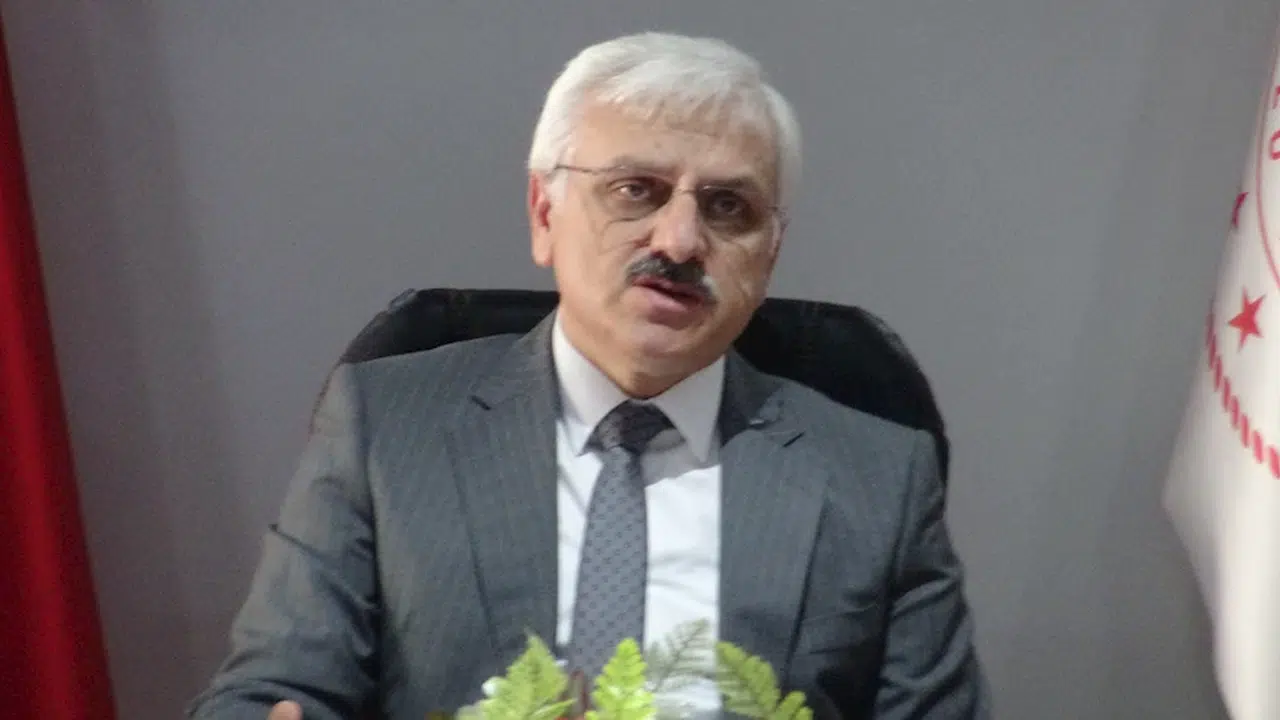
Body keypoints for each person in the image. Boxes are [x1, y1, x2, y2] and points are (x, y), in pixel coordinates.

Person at [188, 31, 989, 720]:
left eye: (727, 208)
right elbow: (274, 690)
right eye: (636, 191)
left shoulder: (878, 479)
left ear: (770, 252)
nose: (679, 241)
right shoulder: (386, 429)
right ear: (545, 214)